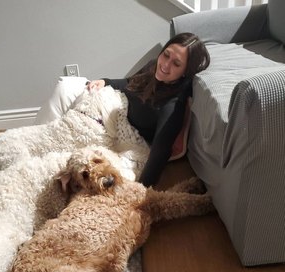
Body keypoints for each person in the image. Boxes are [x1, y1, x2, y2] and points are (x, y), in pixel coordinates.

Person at [36, 32, 210, 187]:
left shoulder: (172, 105)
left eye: (176, 64)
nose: (165, 64)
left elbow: (160, 151)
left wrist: (141, 191)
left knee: (73, 135)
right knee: (66, 85)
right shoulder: (153, 65)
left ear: (185, 72)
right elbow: (130, 83)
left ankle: (47, 170)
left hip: (124, 134)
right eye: (166, 55)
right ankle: (40, 138)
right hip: (115, 106)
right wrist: (105, 81)